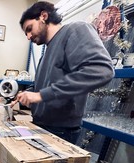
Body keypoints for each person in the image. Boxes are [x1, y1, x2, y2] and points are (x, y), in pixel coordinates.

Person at [11, 1, 114, 144]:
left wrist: (41, 95)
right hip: (41, 125)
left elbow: (102, 70)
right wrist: (26, 94)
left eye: (29, 29)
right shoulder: (46, 53)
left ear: (44, 16)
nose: (28, 37)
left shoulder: (75, 30)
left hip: (61, 131)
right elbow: (41, 86)